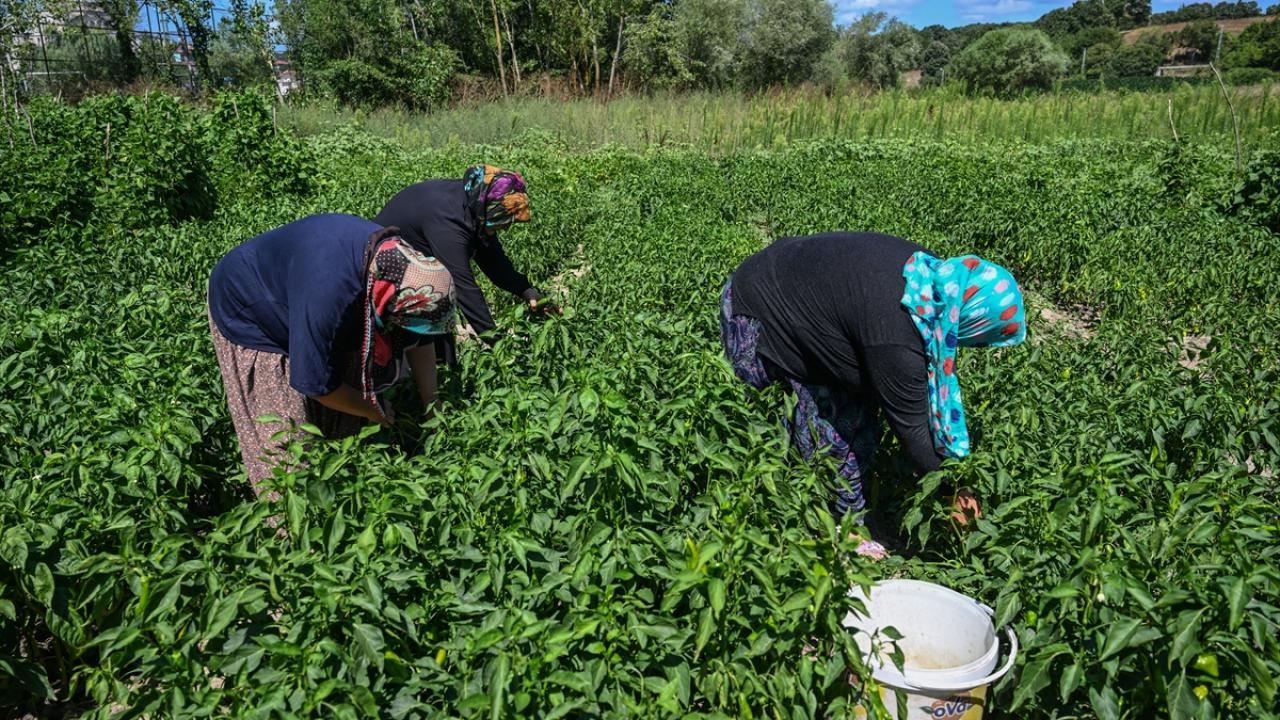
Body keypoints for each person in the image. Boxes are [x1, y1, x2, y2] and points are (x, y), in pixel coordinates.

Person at [719, 232, 1027, 557]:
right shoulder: (895, 333)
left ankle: (842, 512)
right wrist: (954, 491)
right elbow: (913, 429)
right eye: (975, 337)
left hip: (793, 285)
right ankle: (823, 528)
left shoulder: (931, 281)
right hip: (758, 306)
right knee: (823, 431)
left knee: (858, 417)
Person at [207, 214, 456, 496]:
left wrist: (432, 403)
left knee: (348, 412)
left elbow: (420, 337)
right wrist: (371, 409)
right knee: (288, 444)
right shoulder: (330, 295)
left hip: (308, 287)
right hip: (250, 306)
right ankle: (290, 530)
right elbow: (313, 383)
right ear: (390, 301)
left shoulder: (404, 269)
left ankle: (344, 483)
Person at [375, 164, 558, 366]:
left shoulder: (476, 206)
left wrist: (527, 291)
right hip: (386, 268)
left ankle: (441, 377)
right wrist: (500, 345)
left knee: (436, 317)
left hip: (416, 265)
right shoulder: (449, 222)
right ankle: (432, 382)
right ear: (489, 209)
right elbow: (464, 288)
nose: (506, 228)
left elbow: (494, 261)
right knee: (432, 312)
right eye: (504, 221)